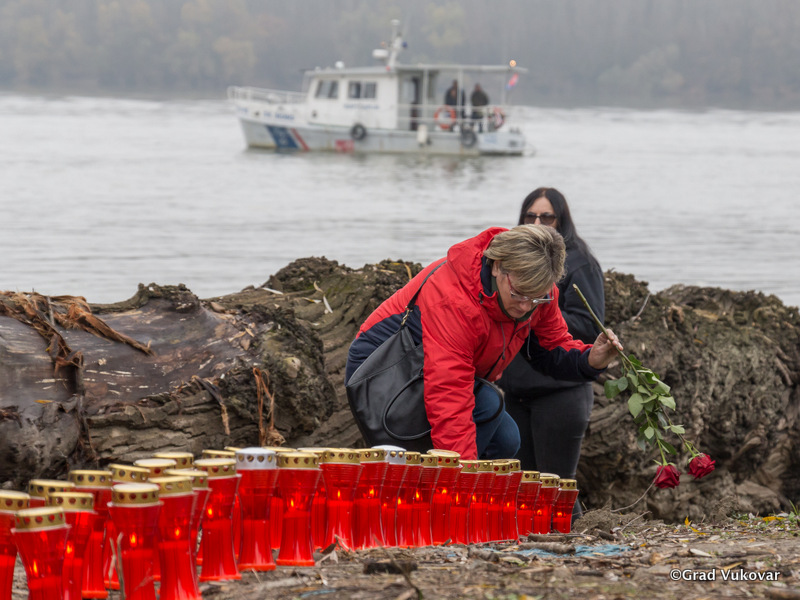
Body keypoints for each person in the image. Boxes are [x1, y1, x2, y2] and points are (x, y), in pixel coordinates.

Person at [345, 225, 622, 461]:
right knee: (487, 405)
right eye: (519, 294)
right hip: (380, 371)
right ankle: (444, 494)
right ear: (498, 266)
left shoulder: (538, 291)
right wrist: (459, 475)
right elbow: (449, 397)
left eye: (536, 297)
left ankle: (468, 496)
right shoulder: (455, 301)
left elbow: (551, 345)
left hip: (435, 372)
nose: (526, 307)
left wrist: (590, 359)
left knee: (506, 438)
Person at [498, 188, 605, 519]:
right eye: (530, 216)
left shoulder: (581, 263)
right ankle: (534, 541)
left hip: (561, 392)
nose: (537, 223)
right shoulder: (516, 263)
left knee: (557, 484)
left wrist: (537, 311)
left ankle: (574, 539)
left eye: (546, 217)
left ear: (562, 220)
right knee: (523, 484)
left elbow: (589, 326)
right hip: (517, 391)